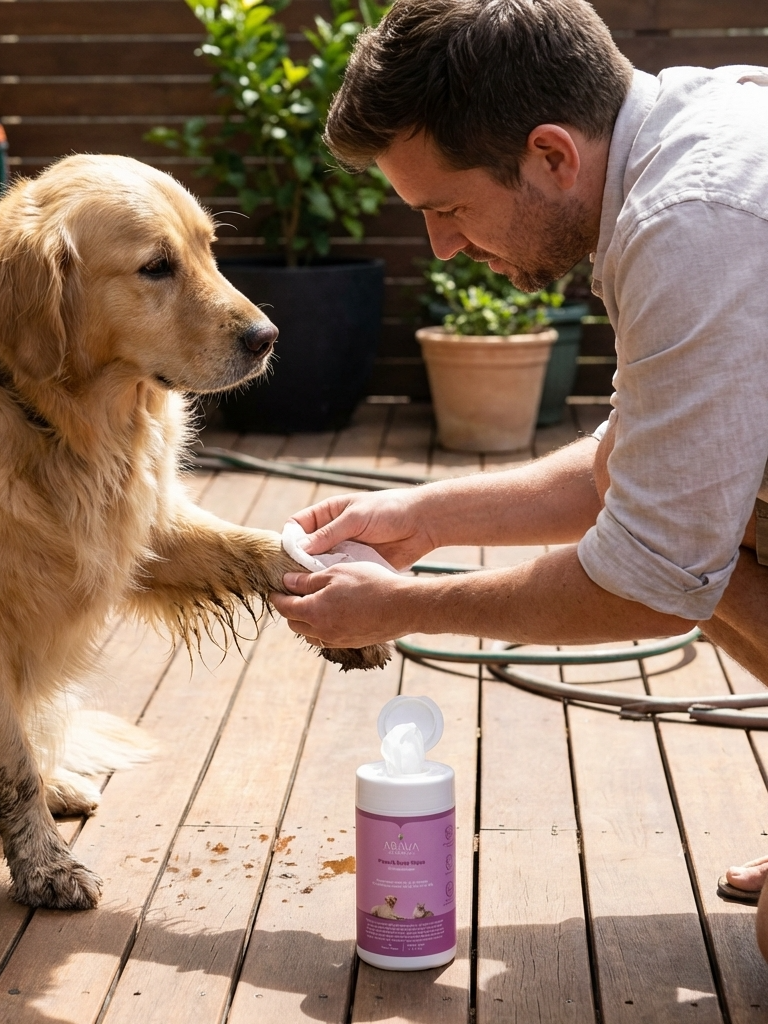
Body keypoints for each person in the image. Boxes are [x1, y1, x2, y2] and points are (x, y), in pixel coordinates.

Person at [268, 0, 768, 962]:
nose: (443, 246)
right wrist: (427, 515)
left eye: (446, 208)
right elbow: (649, 466)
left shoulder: (692, 220)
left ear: (551, 155)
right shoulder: (682, 139)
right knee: (708, 503)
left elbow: (655, 578)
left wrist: (400, 608)